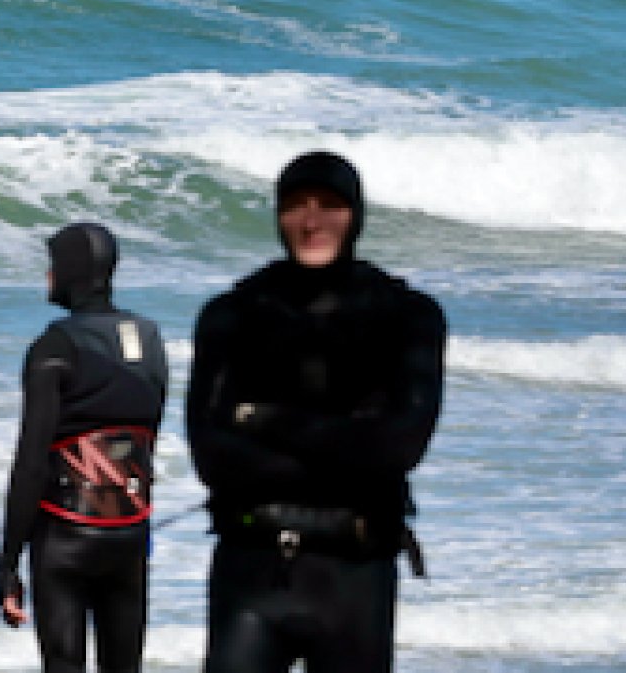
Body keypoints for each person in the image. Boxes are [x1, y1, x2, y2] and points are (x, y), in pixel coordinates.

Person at [187, 152, 446, 673]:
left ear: (356, 214)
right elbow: (213, 460)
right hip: (250, 567)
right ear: (277, 216)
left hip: (356, 572)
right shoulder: (233, 315)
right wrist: (349, 449)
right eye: (296, 206)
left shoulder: (405, 317)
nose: (311, 222)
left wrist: (262, 421)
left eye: (329, 206)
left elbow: (400, 447)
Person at [0, 225, 168, 673]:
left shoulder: (54, 346)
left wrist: (9, 563)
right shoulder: (150, 340)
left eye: (54, 264)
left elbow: (31, 463)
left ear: (70, 272)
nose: (49, 275)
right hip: (129, 532)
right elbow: (147, 438)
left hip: (64, 537)